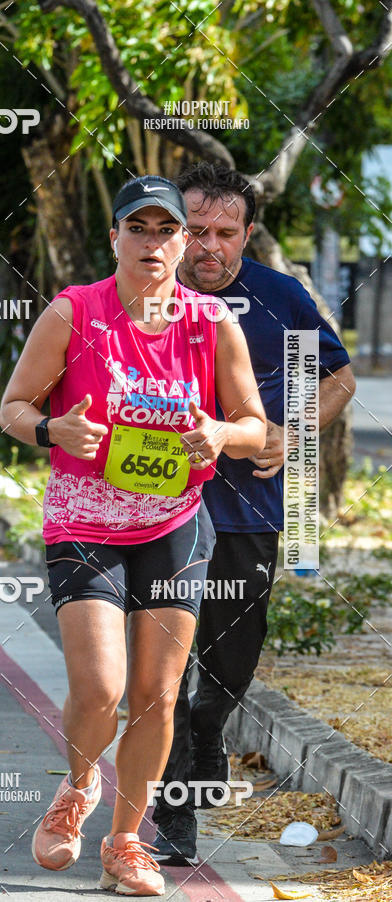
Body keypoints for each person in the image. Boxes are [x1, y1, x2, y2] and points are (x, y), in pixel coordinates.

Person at [0, 174, 266, 896]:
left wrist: (220, 431)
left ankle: (126, 842)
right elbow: (13, 408)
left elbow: (255, 426)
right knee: (101, 686)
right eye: (138, 229)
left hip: (175, 524)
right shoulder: (73, 312)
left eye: (166, 230)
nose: (153, 242)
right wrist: (54, 428)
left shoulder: (211, 321)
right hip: (84, 523)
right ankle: (79, 786)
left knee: (155, 692)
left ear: (185, 241)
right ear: (114, 237)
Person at [152, 162, 356, 863]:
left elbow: (338, 375)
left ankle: (210, 729)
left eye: (225, 233)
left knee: (230, 662)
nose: (208, 247)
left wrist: (295, 435)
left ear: (246, 235)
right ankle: (173, 813)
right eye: (194, 230)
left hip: (247, 510)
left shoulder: (279, 297)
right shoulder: (135, 294)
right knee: (164, 671)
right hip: (151, 512)